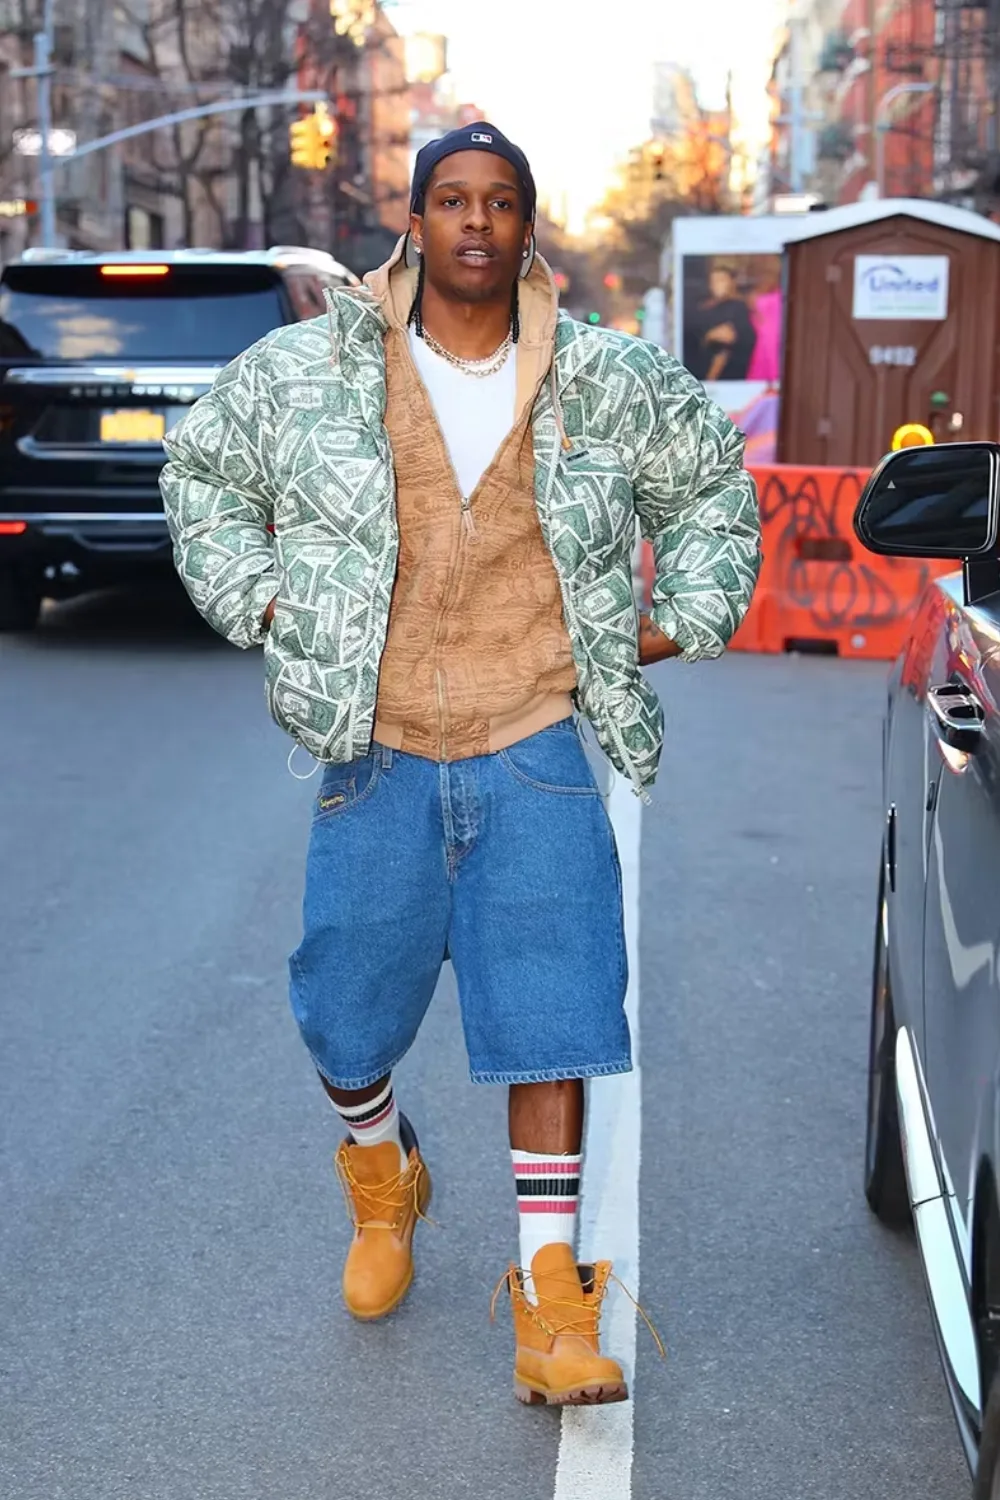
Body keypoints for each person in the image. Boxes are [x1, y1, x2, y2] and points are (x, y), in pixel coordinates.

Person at [160, 124, 761, 1407]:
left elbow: (713, 485)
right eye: (450, 199)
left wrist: (667, 625)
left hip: (533, 740)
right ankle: (384, 1174)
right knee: (342, 1017)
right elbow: (200, 473)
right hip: (375, 751)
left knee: (554, 1018)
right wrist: (268, 601)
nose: (475, 221)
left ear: (526, 226)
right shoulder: (316, 369)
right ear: (415, 222)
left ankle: (551, 1301)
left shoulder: (605, 377)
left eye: (498, 201)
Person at [685, 260, 757, 382]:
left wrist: (711, 379)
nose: (717, 285)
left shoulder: (737, 307)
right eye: (713, 281)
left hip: (725, 377)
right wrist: (707, 337)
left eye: (721, 280)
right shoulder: (703, 306)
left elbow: (725, 345)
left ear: (732, 282)